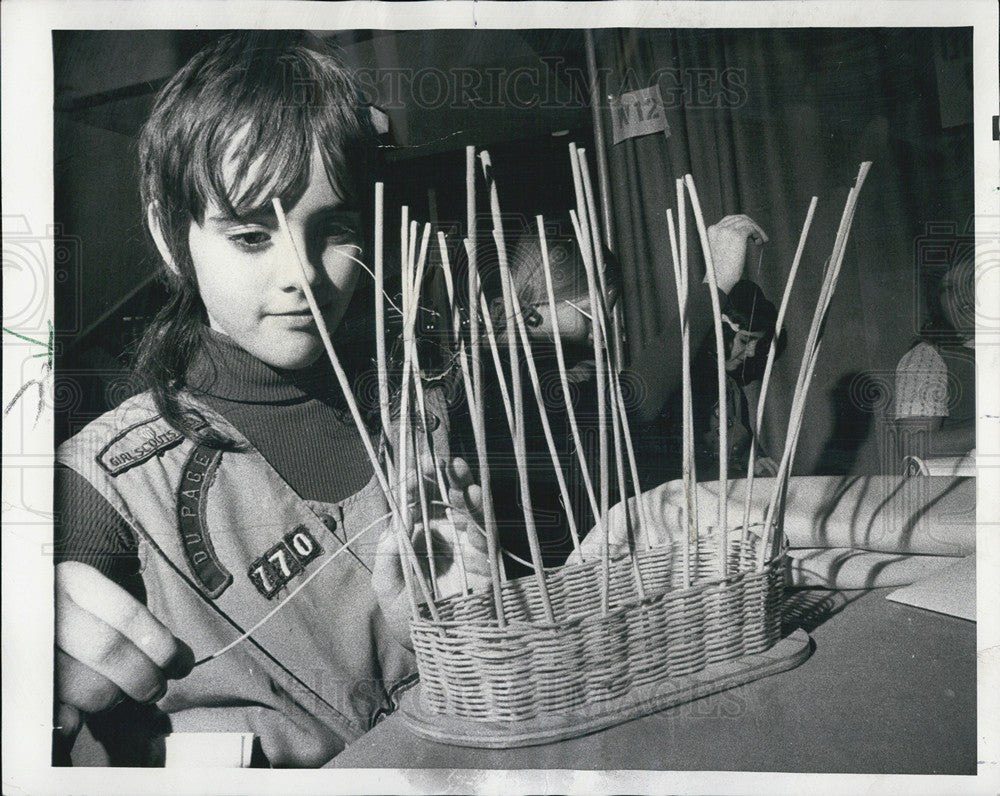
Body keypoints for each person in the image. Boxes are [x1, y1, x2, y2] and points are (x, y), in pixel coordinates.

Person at [53, 32, 484, 768]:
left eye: (335, 229)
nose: (303, 276)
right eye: (252, 235)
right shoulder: (104, 482)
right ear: (169, 234)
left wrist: (470, 626)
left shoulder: (422, 408)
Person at [452, 214, 766, 573]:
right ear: (530, 309)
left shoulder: (519, 369)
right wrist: (713, 289)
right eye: (589, 314)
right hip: (553, 585)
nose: (601, 329)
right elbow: (625, 406)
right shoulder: (502, 376)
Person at [690, 279, 780, 479]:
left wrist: (756, 460)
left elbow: (741, 442)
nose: (751, 353)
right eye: (745, 341)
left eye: (758, 343)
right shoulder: (687, 383)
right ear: (721, 334)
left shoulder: (733, 387)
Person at [893, 255, 975, 467]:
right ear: (937, 301)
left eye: (971, 281)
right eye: (948, 287)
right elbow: (912, 447)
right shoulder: (928, 357)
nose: (961, 294)